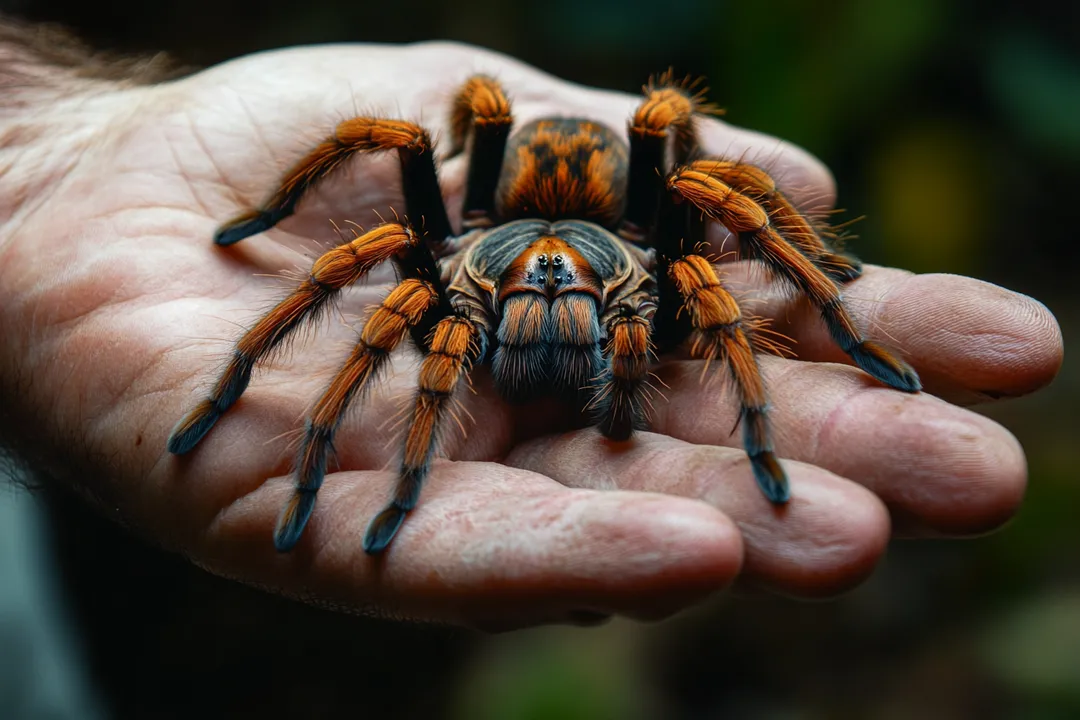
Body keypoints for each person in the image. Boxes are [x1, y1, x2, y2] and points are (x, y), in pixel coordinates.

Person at [0, 23, 1062, 632]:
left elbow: (721, 215)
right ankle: (287, 406)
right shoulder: (441, 270)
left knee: (691, 166)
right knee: (369, 244)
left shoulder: (668, 255)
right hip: (493, 229)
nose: (550, 297)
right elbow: (370, 281)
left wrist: (827, 296)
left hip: (607, 221)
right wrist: (268, 382)